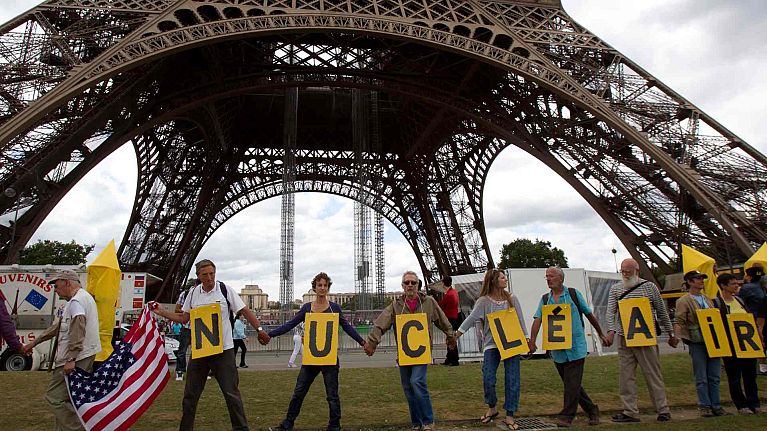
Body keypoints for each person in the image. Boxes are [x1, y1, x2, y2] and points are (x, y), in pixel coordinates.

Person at [150, 259, 269, 431]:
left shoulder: (225, 290)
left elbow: (244, 310)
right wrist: (161, 312)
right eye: (205, 274)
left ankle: (241, 429)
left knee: (231, 394)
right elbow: (184, 318)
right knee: (190, 396)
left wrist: (259, 329)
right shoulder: (193, 294)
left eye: (212, 273)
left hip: (223, 350)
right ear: (198, 276)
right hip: (201, 351)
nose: (209, 278)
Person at [262, 272, 366, 431]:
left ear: (328, 288)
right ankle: (287, 424)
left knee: (332, 395)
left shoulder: (335, 308)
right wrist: (270, 334)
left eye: (325, 285)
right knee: (299, 392)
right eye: (320, 285)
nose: (322, 288)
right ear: (314, 288)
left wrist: (363, 342)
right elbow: (290, 324)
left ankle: (334, 426)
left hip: (329, 359)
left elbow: (347, 328)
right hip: (311, 358)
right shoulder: (307, 308)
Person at [364, 270, 456, 431]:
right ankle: (416, 423)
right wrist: (372, 342)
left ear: (418, 284)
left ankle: (428, 421)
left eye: (413, 282)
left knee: (416, 382)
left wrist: (451, 337)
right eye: (407, 282)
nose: (410, 285)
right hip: (405, 354)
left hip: (422, 352)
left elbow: (443, 320)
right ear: (402, 286)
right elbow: (381, 323)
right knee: (408, 388)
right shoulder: (395, 306)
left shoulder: (429, 302)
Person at [22, 270, 101, 431]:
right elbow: (59, 327)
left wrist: (71, 359)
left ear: (67, 282)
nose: (55, 290)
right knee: (69, 398)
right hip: (84, 355)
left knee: (54, 397)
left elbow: (77, 330)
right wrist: (34, 343)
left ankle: (80, 428)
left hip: (74, 358)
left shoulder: (76, 302)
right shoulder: (83, 299)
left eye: (57, 286)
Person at [528, 267, 606, 428]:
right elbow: (537, 319)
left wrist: (601, 334)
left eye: (551, 276)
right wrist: (533, 340)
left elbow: (588, 314)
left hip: (575, 347)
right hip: (558, 350)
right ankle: (592, 410)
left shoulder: (573, 294)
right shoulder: (545, 299)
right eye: (546, 277)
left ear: (561, 278)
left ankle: (566, 416)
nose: (548, 279)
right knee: (572, 384)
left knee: (572, 384)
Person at [603, 258, 678, 423]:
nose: (624, 273)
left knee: (653, 373)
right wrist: (611, 331)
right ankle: (630, 411)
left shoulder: (650, 287)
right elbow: (610, 312)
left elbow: (662, 311)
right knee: (626, 375)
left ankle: (663, 409)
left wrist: (671, 333)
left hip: (645, 336)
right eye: (622, 271)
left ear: (636, 270)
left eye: (627, 270)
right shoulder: (616, 289)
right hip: (625, 336)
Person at [455, 269, 526, 430]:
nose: (505, 279)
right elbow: (471, 319)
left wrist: (526, 339)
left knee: (512, 378)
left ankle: (510, 414)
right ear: (494, 281)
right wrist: (456, 335)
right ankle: (492, 407)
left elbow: (520, 319)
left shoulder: (512, 298)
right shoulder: (483, 301)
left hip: (512, 343)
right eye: (502, 277)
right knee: (488, 377)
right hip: (492, 344)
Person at [674, 270, 726, 417]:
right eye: (698, 279)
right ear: (690, 282)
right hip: (698, 342)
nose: (701, 281)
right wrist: (677, 337)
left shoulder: (708, 299)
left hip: (713, 340)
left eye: (702, 279)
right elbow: (679, 320)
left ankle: (715, 404)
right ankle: (705, 405)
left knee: (714, 376)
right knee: (702, 376)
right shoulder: (684, 301)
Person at [713, 274, 761, 414]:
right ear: (723, 285)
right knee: (734, 376)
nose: (736, 286)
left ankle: (754, 402)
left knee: (750, 375)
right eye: (733, 283)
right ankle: (741, 404)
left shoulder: (739, 300)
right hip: (730, 345)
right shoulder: (717, 303)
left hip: (746, 343)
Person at [438, 275, 460, 366]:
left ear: (443, 284)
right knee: (451, 338)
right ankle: (451, 358)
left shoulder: (448, 295)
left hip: (449, 318)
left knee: (450, 339)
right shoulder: (454, 292)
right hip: (454, 317)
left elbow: (441, 306)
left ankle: (453, 359)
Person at [174, 285, 193, 381]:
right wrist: (188, 311)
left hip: (199, 326)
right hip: (186, 327)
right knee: (182, 351)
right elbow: (176, 309)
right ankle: (179, 371)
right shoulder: (185, 294)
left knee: (200, 351)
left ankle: (199, 372)